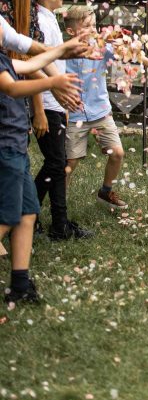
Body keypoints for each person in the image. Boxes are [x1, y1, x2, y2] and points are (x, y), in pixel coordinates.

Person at [0, 21, 83, 305]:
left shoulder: (4, 59)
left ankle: (20, 285)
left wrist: (62, 50)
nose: (4, 28)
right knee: (6, 217)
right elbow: (11, 88)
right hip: (4, 150)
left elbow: (31, 63)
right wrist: (51, 82)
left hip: (15, 146)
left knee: (27, 213)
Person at [63, 4, 148, 212]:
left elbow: (126, 53)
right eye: (86, 26)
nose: (92, 29)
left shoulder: (102, 47)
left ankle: (106, 191)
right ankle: (59, 204)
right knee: (70, 162)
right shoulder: (64, 53)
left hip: (100, 111)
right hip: (74, 115)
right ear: (71, 31)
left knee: (117, 153)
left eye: (93, 25)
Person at [35, 0, 92, 240]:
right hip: (46, 100)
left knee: (55, 164)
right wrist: (41, 109)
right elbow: (39, 63)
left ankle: (39, 218)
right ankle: (54, 223)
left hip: (55, 103)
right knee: (56, 163)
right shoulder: (41, 21)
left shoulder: (49, 20)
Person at [0, 0, 80, 114]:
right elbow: (17, 56)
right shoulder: (3, 5)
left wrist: (58, 83)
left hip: (19, 89)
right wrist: (53, 85)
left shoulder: (31, 8)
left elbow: (35, 51)